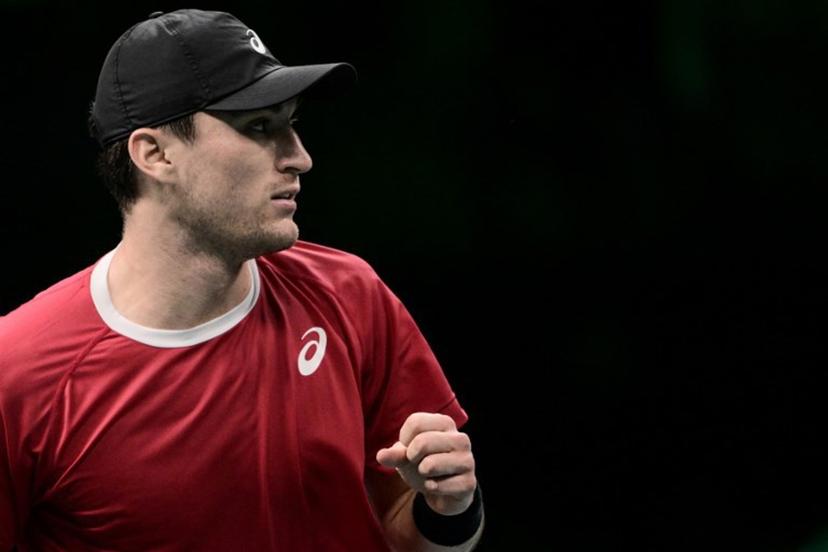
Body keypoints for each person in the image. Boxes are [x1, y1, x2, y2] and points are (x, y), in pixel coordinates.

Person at [0, 9, 483, 552]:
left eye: (292, 123)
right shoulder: (18, 376)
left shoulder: (349, 296)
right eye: (260, 127)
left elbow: (407, 525)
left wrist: (450, 509)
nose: (300, 158)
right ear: (154, 154)